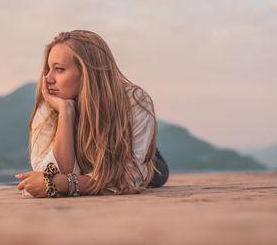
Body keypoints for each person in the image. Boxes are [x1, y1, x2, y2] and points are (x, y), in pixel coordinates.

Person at [16, 30, 169, 198]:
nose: (48, 78)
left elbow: (129, 179)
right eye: (48, 69)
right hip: (94, 169)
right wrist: (66, 113)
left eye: (59, 69)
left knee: (157, 173)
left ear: (87, 73)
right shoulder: (50, 105)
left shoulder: (134, 102)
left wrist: (67, 183)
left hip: (131, 153)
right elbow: (50, 177)